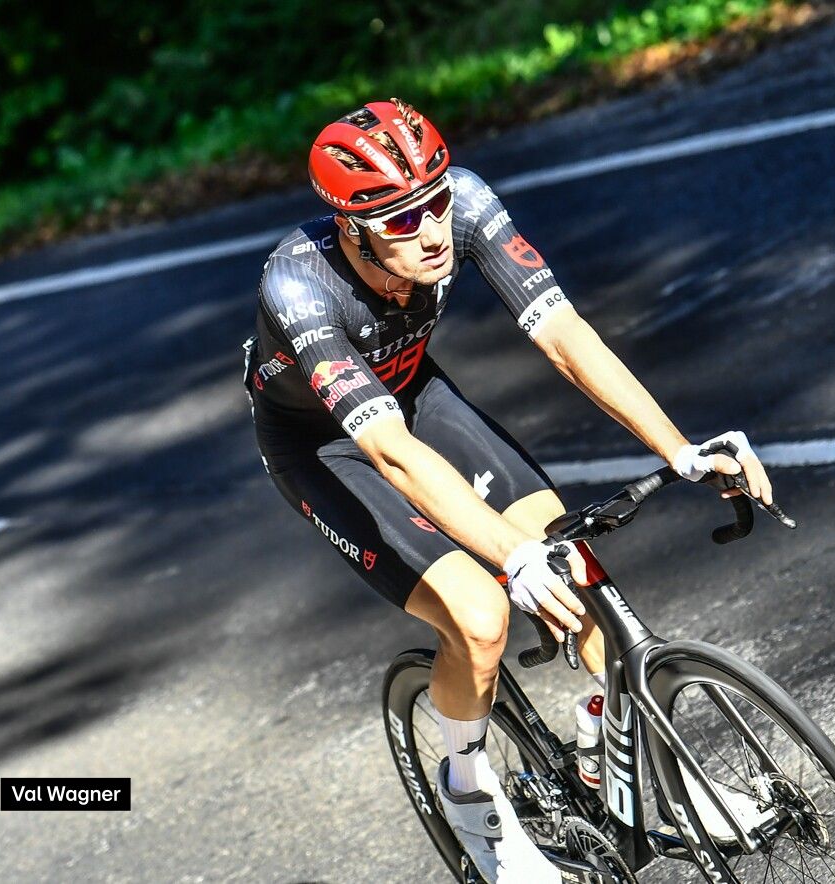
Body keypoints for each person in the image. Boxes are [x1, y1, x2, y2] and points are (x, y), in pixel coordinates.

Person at [243, 98, 777, 882]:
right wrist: (509, 556)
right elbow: (389, 453)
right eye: (401, 221)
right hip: (325, 445)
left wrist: (680, 448)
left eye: (435, 203)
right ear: (353, 230)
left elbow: (564, 336)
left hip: (412, 393)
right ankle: (468, 791)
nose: (431, 231)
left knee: (573, 567)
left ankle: (656, 775)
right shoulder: (299, 287)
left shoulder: (465, 203)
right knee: (482, 616)